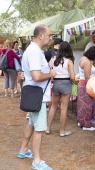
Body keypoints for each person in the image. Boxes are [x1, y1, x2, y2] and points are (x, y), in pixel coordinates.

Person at [17, 24, 56, 170]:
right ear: (41, 36)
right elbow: (37, 76)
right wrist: (51, 74)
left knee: (32, 124)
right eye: (49, 35)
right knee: (39, 129)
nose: (50, 37)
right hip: (38, 96)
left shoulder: (32, 50)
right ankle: (36, 161)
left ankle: (23, 150)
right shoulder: (34, 51)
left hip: (34, 96)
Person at [46, 41, 77, 136]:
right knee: (64, 108)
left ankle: (48, 128)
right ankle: (62, 131)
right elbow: (72, 77)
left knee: (53, 107)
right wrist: (75, 81)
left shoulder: (53, 59)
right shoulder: (69, 61)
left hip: (55, 83)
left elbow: (48, 70)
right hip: (66, 83)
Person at [77, 46, 95, 131]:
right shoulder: (87, 62)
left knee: (81, 104)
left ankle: (81, 121)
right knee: (87, 105)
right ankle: (86, 125)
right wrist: (92, 86)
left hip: (82, 84)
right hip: (86, 85)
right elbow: (87, 77)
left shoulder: (83, 58)